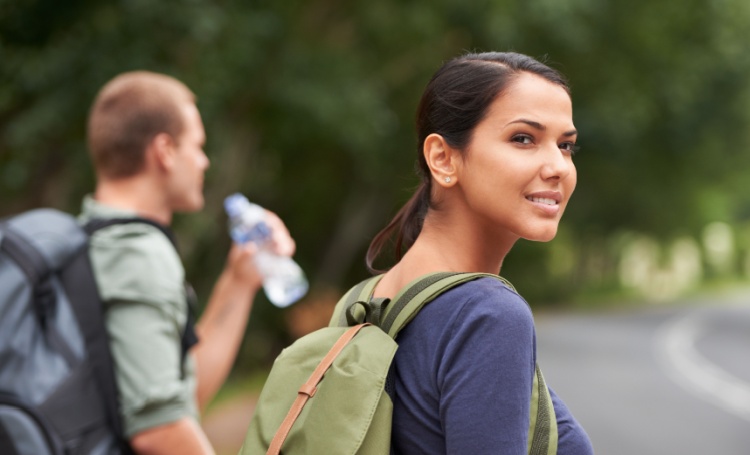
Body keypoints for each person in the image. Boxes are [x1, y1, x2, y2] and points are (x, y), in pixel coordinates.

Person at [366, 52, 595, 454]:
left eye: (566, 145)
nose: (558, 166)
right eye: (523, 138)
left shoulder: (364, 300)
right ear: (442, 158)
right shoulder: (488, 315)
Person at [79, 71, 295, 455]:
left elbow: (180, 397)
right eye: (196, 145)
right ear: (164, 151)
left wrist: (240, 280)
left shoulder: (95, 238)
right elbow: (159, 428)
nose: (203, 161)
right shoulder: (138, 254)